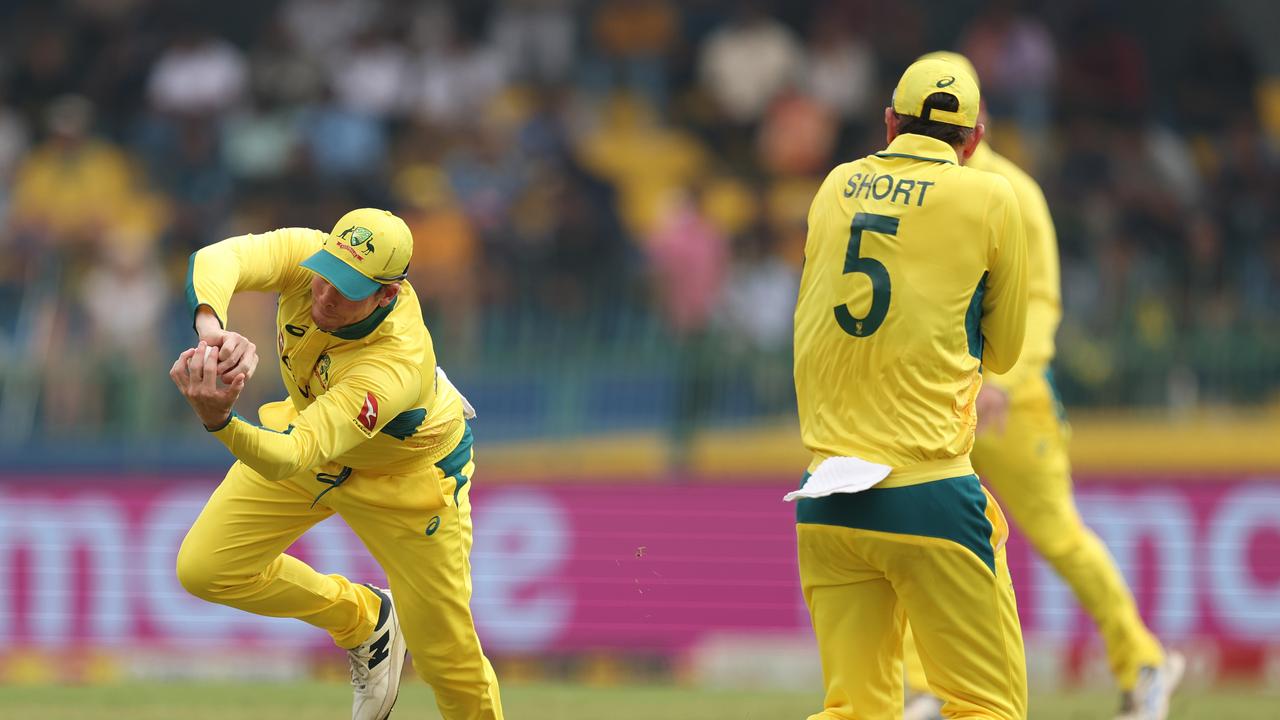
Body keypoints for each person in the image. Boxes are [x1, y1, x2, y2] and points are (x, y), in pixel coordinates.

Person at [900, 52, 1183, 720]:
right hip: (939, 402)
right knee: (912, 533)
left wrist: (1004, 377)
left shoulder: (1014, 194)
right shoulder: (919, 192)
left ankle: (1143, 665)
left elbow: (1041, 301)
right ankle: (921, 688)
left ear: (980, 126)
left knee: (1057, 536)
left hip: (1010, 405)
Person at [168, 208, 504, 720]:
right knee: (206, 570)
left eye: (346, 290)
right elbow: (218, 257)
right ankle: (364, 619)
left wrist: (221, 421)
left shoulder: (395, 362)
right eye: (325, 276)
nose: (323, 295)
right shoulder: (312, 255)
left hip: (407, 479)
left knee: (447, 661)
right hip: (311, 433)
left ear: (386, 295)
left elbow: (291, 456)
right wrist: (211, 329)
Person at [789, 57, 1029, 719]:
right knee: (987, 707)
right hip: (931, 494)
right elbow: (1005, 352)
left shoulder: (835, 185)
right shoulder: (991, 197)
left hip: (827, 494)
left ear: (890, 121)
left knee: (854, 711)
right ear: (974, 139)